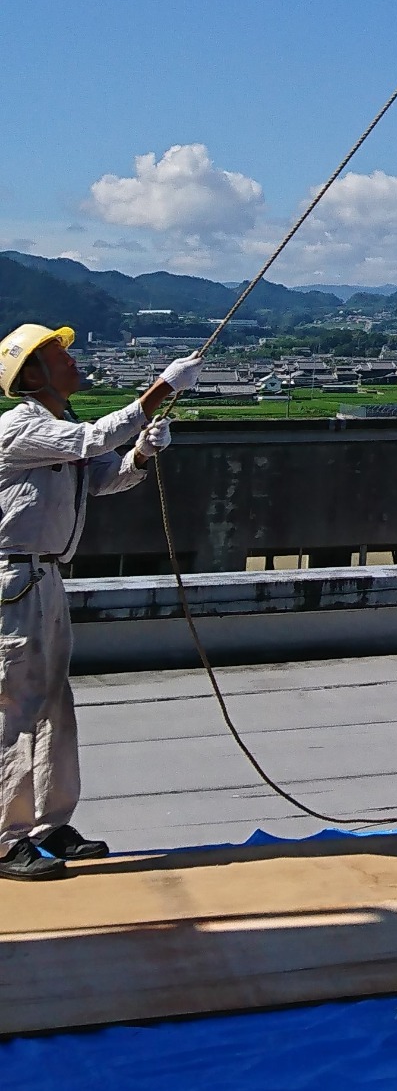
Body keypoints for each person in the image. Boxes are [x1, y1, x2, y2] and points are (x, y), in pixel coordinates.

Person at [0, 323, 199, 880]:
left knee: (53, 704)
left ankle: (48, 823)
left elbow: (104, 476)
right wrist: (162, 386)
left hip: (41, 580)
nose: (72, 362)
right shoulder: (19, 428)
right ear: (32, 375)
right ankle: (3, 836)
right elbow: (93, 440)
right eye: (58, 356)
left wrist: (139, 455)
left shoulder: (56, 427)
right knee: (15, 707)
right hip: (14, 582)